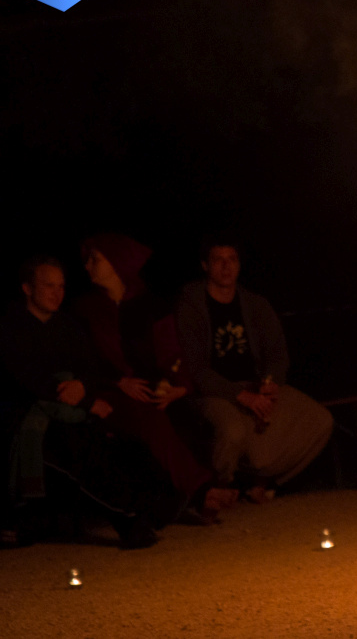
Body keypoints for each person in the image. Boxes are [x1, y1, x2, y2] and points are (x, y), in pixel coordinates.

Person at [0, 256, 181, 548]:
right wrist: (83, 401)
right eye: (48, 286)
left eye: (61, 286)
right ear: (27, 288)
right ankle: (126, 519)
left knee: (124, 444)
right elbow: (28, 379)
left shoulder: (67, 326)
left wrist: (83, 387)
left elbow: (90, 367)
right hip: (29, 417)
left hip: (71, 410)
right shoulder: (11, 327)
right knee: (73, 448)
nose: (57, 293)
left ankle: (159, 507)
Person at [73, 233, 237, 521]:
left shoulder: (150, 305)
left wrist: (177, 387)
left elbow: (171, 352)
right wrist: (117, 382)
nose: (87, 266)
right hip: (110, 392)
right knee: (150, 420)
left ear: (117, 261)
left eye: (94, 259)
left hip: (150, 389)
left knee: (183, 416)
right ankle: (202, 490)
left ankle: (190, 497)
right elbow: (82, 360)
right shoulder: (85, 310)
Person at [174, 237, 333, 502]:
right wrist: (241, 395)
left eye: (232, 259)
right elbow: (196, 368)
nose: (226, 267)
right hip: (214, 390)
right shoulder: (191, 305)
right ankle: (219, 487)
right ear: (205, 266)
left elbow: (277, 353)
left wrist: (270, 382)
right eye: (218, 260)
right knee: (233, 431)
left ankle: (266, 480)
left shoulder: (255, 304)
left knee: (318, 420)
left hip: (253, 384)